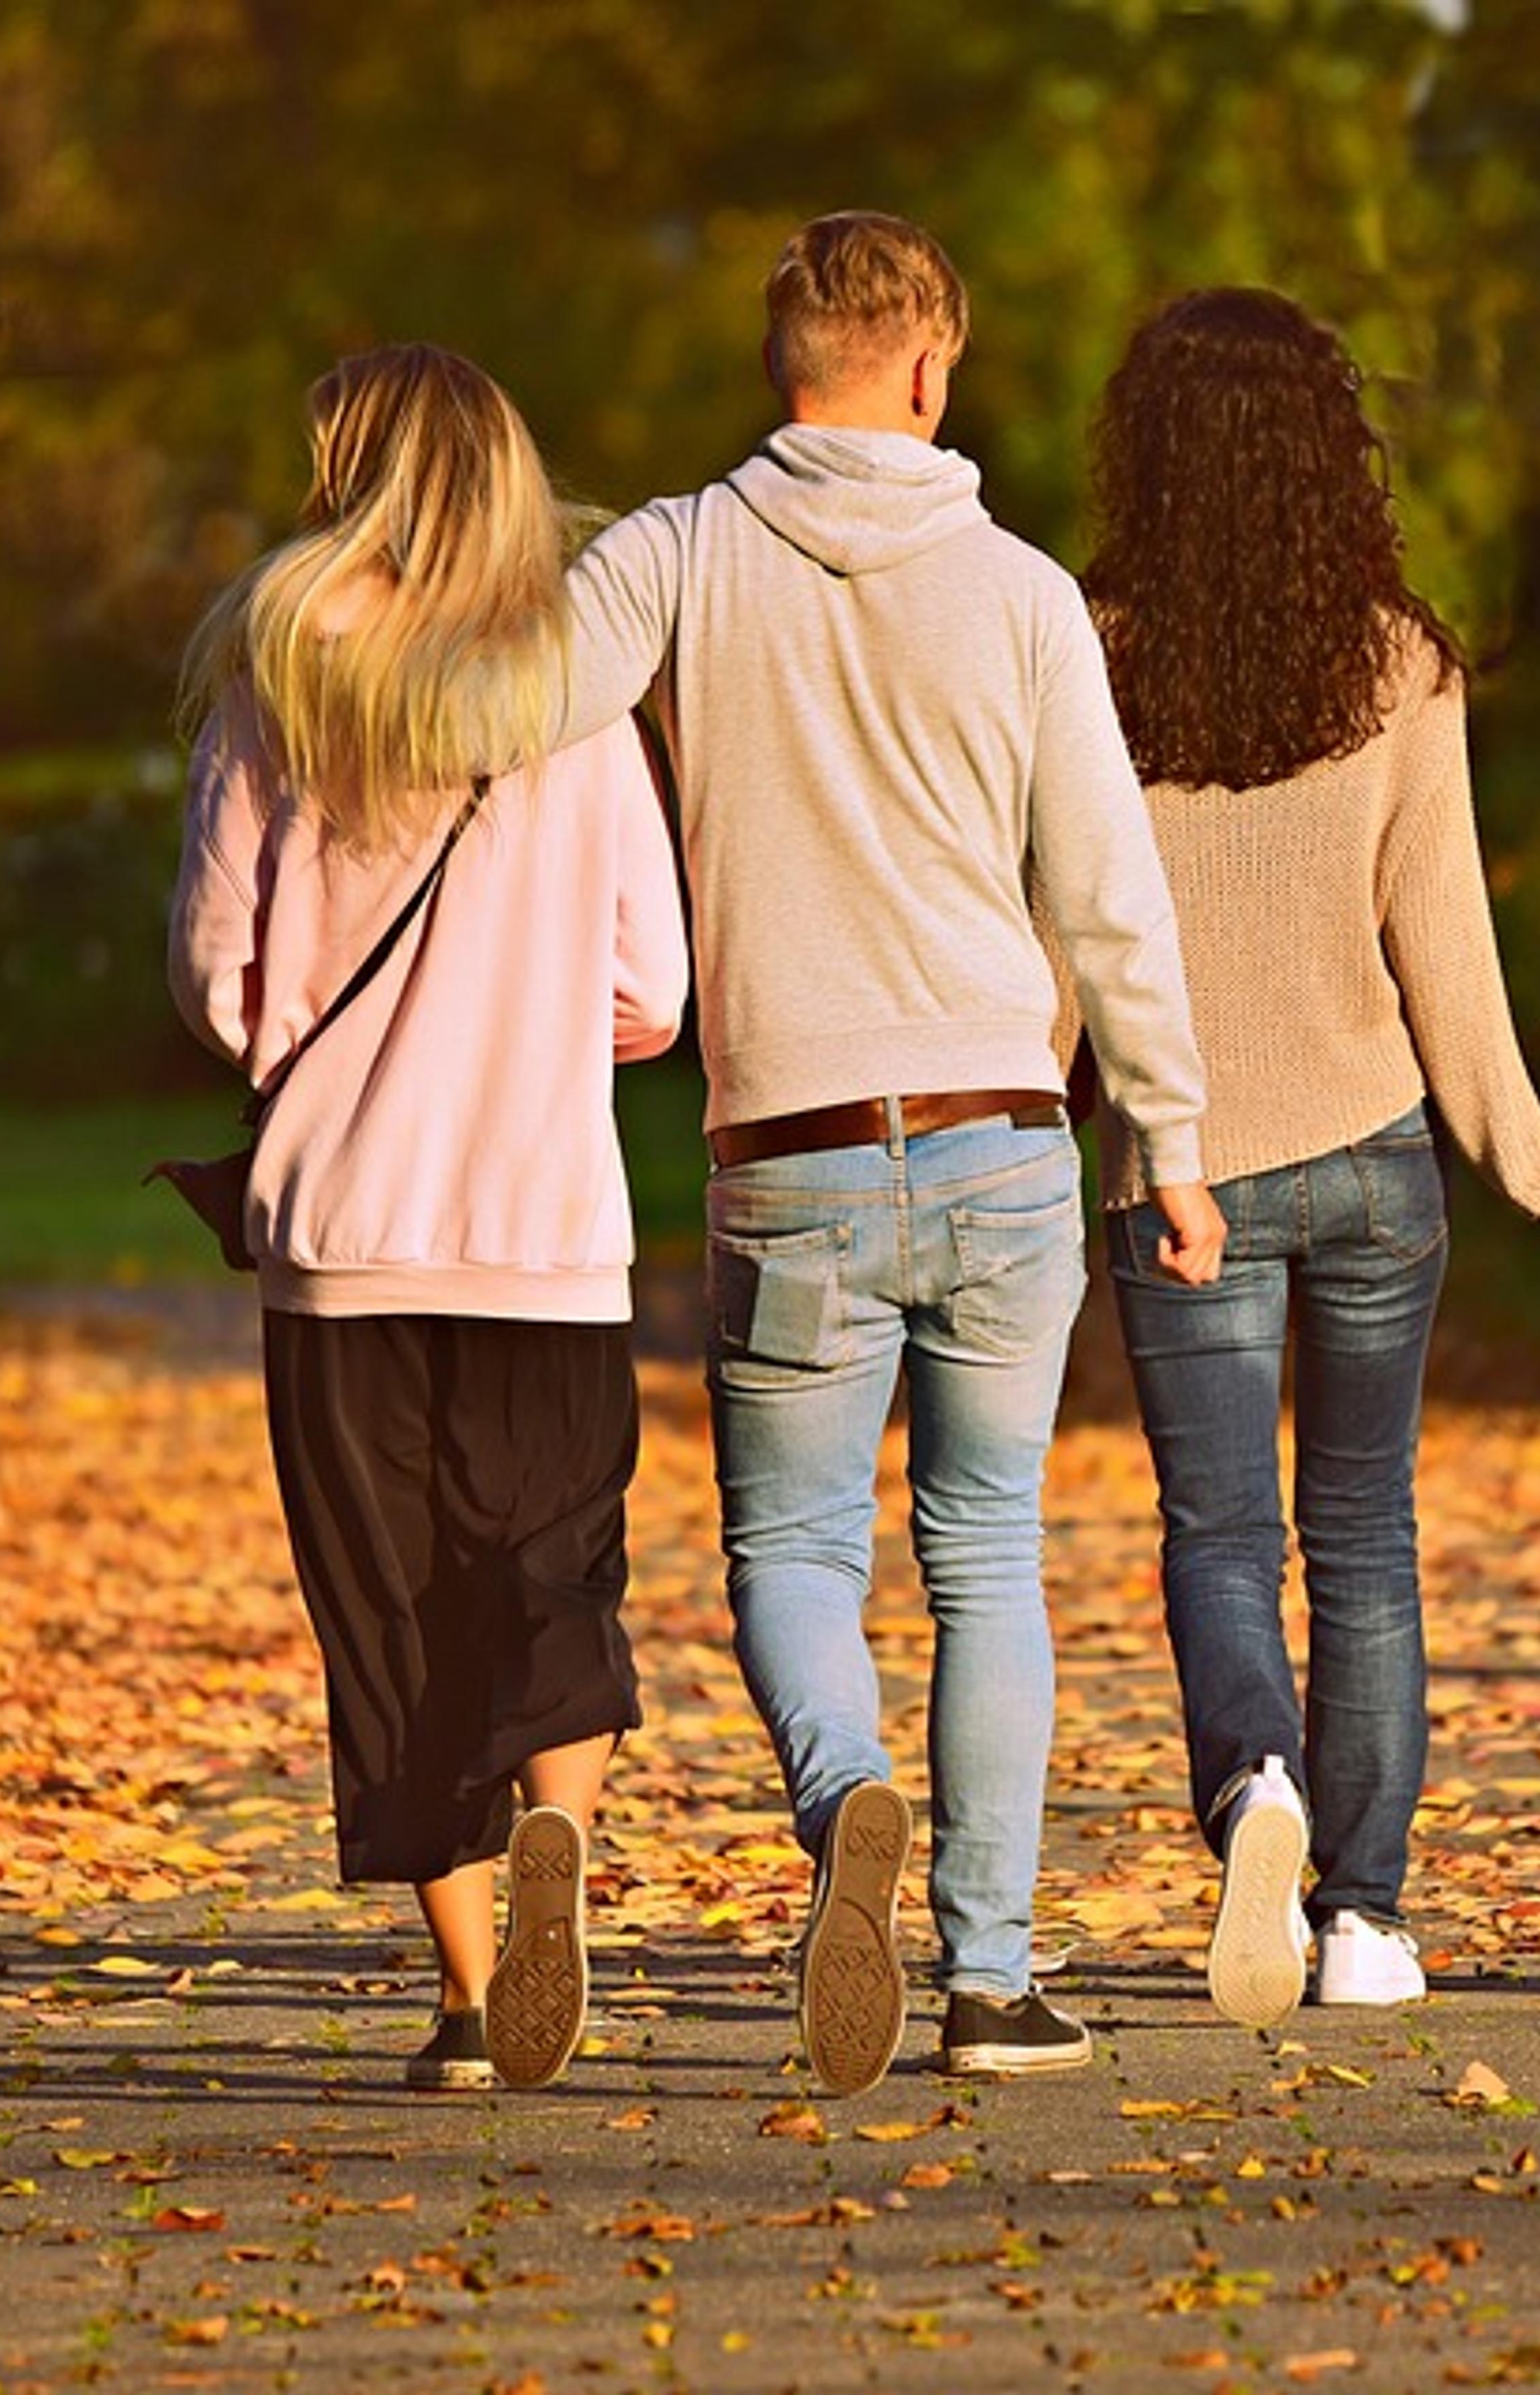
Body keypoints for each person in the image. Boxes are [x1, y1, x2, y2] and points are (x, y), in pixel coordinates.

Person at [561, 211, 1223, 2094]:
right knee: (990, 1550)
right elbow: (1109, 897)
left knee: (788, 1535)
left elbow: (508, 717)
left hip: (793, 1143)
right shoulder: (1019, 593)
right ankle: (995, 1981)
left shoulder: (676, 556)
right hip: (1009, 1135)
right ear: (931, 369)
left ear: (785, 367)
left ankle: (847, 1794)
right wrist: (1169, 1138)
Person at [1080, 289, 1540, 2029]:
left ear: (1147, 457)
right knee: (1368, 1536)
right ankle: (1366, 1921)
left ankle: (1255, 1784)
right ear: (1336, 452)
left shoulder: (1083, 651)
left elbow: (1061, 936)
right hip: (1378, 1160)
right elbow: (1441, 948)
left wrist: (1022, 1129)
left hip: (1179, 1166)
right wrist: (1538, 1162)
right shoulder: (1405, 661)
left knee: (1222, 1534)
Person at [167, 344, 690, 2090]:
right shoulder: (579, 692)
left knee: (389, 1627)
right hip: (546, 1228)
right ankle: (562, 1857)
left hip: (343, 1242)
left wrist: (311, 1042)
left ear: (362, 474)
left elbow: (219, 982)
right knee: (549, 1580)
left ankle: (474, 2005)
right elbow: (653, 994)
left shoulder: (277, 680)